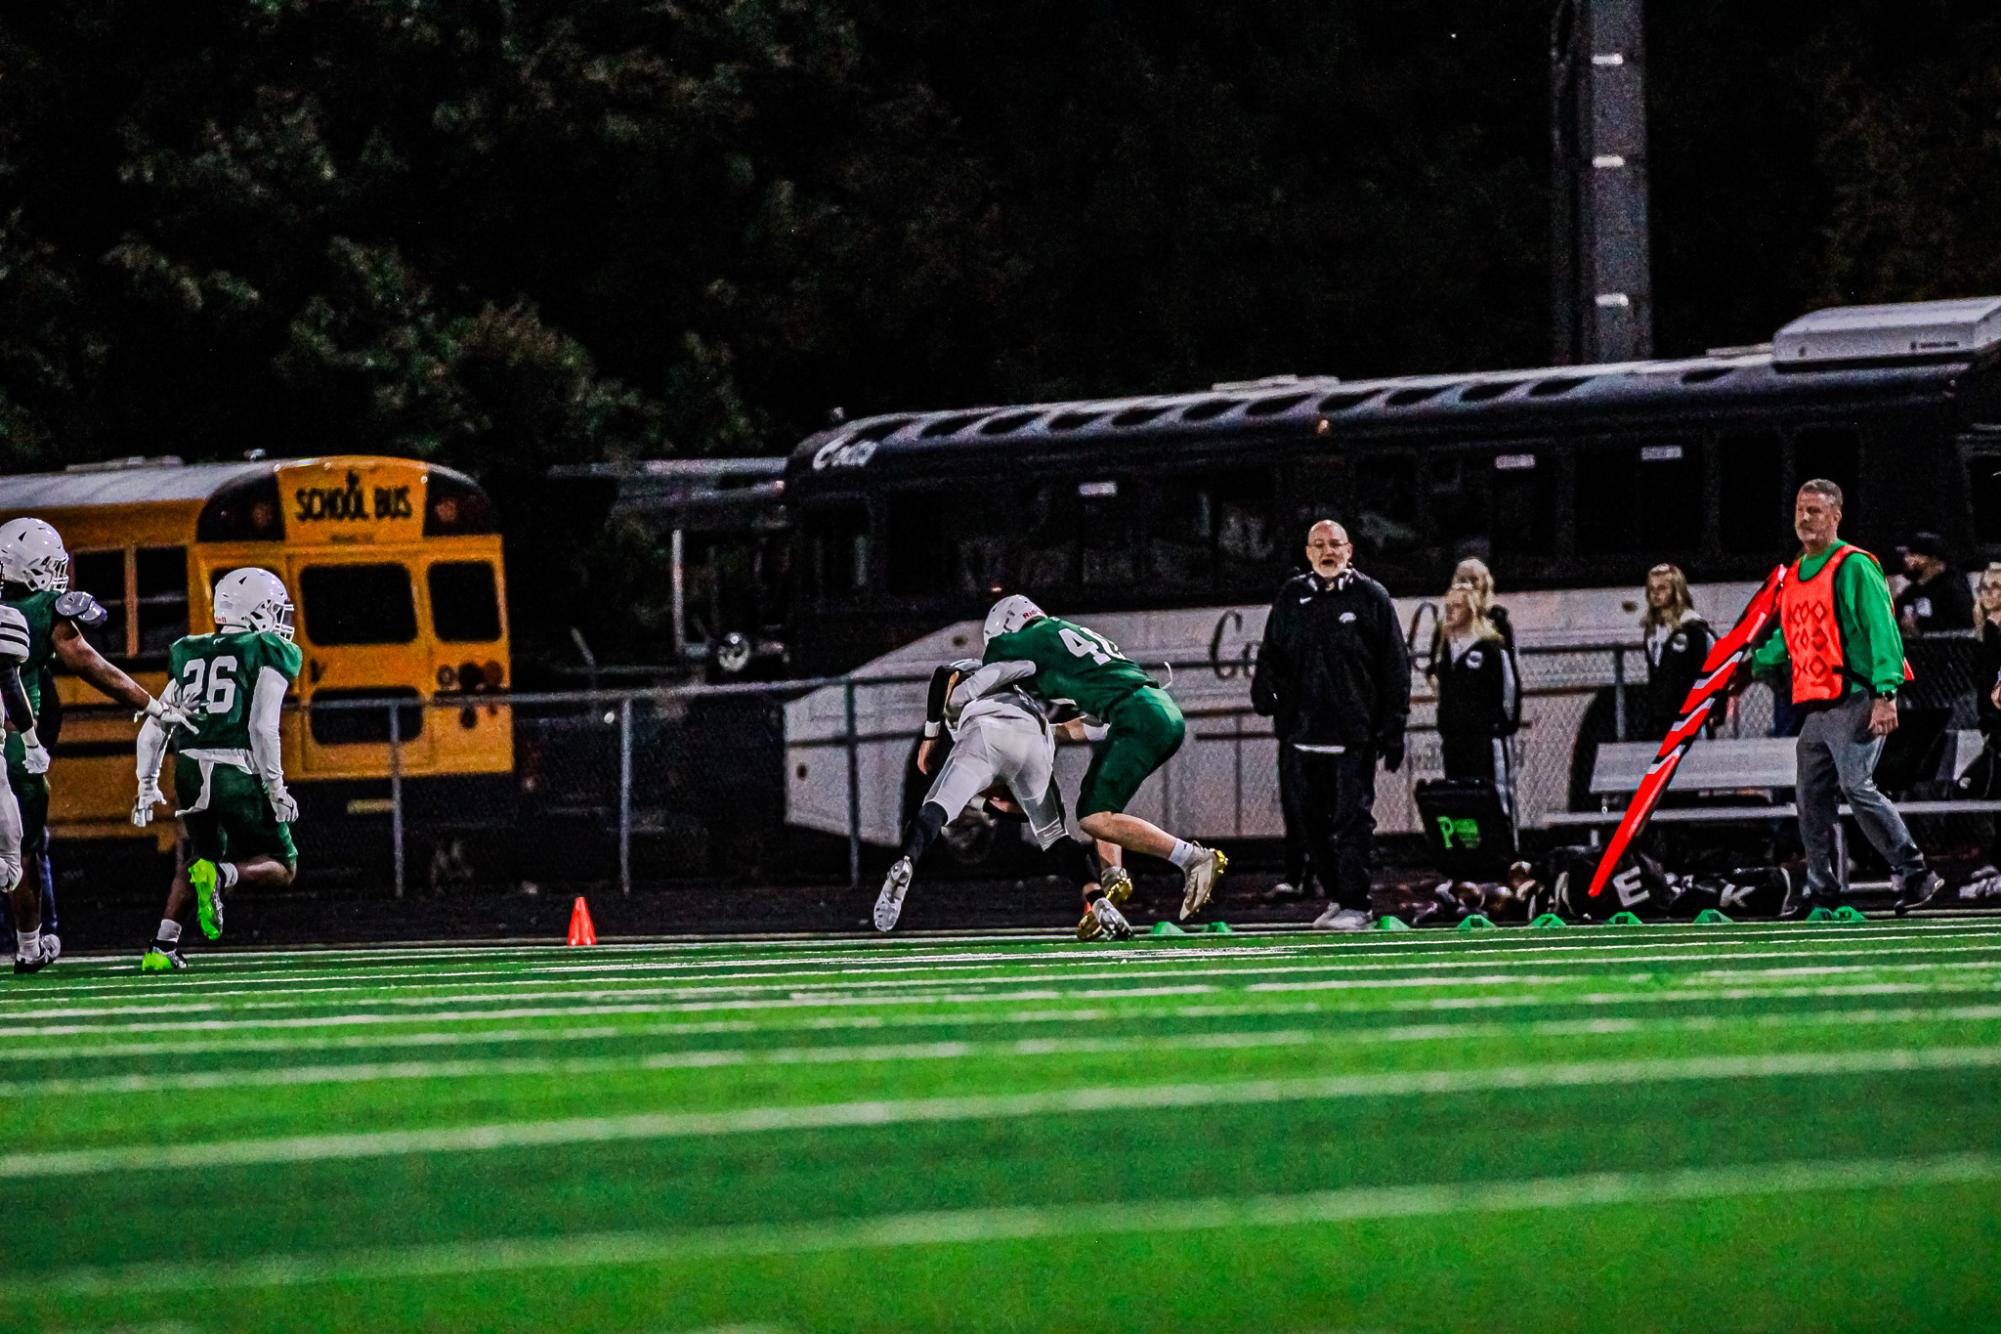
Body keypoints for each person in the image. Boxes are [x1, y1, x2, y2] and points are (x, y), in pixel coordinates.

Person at [951, 596, 1227, 920]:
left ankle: (1193, 858)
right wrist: (1046, 734)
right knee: (1098, 802)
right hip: (1150, 708)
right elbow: (1093, 726)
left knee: (1093, 817)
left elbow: (990, 664)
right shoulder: (1068, 640)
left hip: (1137, 716)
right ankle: (1112, 880)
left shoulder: (1025, 639)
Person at [0, 517, 192, 973]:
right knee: (21, 850)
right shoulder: (44, 609)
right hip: (9, 747)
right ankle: (29, 946)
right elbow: (90, 664)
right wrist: (152, 704)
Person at [1744, 480, 1943, 918]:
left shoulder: (1853, 565)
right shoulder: (1795, 572)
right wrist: (1753, 663)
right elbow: (1791, 636)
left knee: (1856, 785)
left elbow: (1882, 628)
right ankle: (1823, 888)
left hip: (1856, 695)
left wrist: (1885, 692)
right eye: (1800, 509)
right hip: (1819, 705)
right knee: (1809, 797)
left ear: (1836, 516)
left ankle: (1915, 872)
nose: (1804, 518)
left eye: (1815, 510)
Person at [875, 658, 1131, 940]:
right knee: (1056, 837)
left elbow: (943, 673)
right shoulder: (1030, 692)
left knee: (935, 807)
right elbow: (1023, 812)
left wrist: (930, 737)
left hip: (984, 733)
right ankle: (1096, 899)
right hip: (1034, 741)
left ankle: (906, 860)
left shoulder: (971, 688)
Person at [133, 568, 302, 969]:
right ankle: (223, 876)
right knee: (283, 864)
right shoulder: (267, 648)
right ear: (257, 611)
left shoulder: (189, 649)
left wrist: (146, 782)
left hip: (190, 771)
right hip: (236, 771)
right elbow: (262, 727)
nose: (281, 620)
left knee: (197, 858)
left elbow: (156, 726)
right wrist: (276, 788)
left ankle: (161, 948)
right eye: (275, 610)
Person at [1251, 519, 1411, 931]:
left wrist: (1393, 726)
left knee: (1352, 820)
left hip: (1352, 735)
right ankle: (1338, 898)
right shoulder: (1292, 596)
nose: (1327, 551)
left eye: (1335, 544)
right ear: (1307, 553)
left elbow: (1395, 666)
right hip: (1301, 735)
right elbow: (1271, 652)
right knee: (1308, 823)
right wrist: (1263, 688)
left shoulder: (1370, 597)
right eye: (1318, 544)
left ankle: (1358, 903)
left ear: (1349, 550)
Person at [1429, 585, 1518, 808]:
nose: (1450, 612)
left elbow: (1508, 689)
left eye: (1457, 607)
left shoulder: (1491, 648)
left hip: (1485, 740)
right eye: (1448, 607)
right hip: (1455, 741)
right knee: (1461, 801)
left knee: (1494, 800)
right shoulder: (1447, 650)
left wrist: (1498, 725)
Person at [1640, 563, 1714, 739]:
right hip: (1661, 720)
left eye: (1662, 588)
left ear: (1676, 590)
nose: (1656, 594)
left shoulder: (1694, 629)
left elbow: (1711, 669)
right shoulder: (1652, 632)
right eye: (1652, 589)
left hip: (1690, 719)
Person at [1895, 531, 1972, 637]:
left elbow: (1958, 626)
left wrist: (1920, 629)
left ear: (1934, 559)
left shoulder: (1954, 589)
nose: (1907, 559)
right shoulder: (1911, 591)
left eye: (1913, 554)